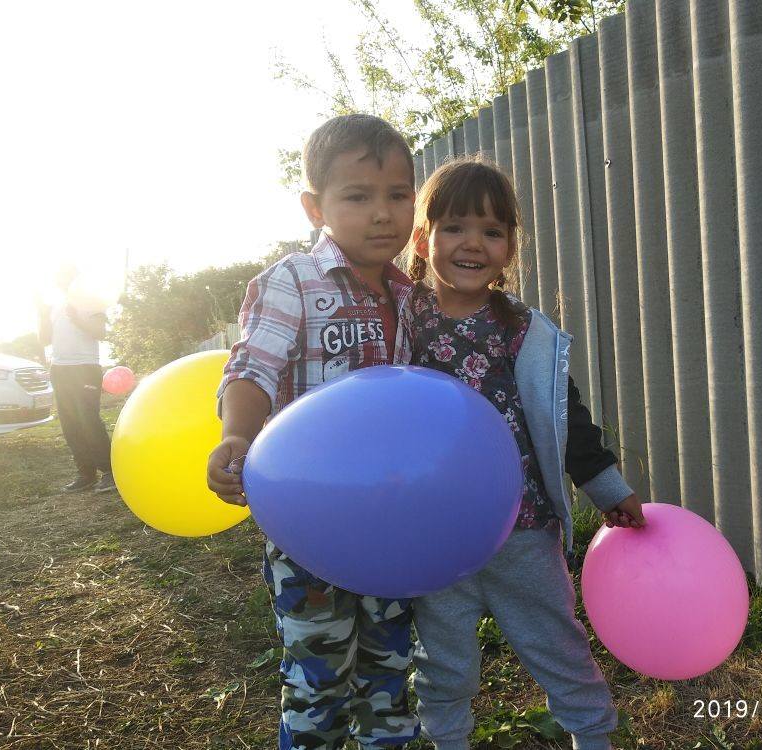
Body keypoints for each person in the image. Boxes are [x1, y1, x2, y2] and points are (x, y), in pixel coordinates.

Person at [406, 157, 646, 750]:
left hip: (523, 530)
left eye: (492, 231)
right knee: (442, 662)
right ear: (422, 237)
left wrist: (610, 491)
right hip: (435, 539)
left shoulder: (524, 332)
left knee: (559, 648)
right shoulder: (400, 321)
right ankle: (448, 740)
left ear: (511, 247)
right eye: (456, 226)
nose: (473, 243)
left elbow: (569, 421)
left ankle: (592, 736)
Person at [206, 114, 421, 750]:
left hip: (393, 513)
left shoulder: (411, 295)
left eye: (398, 194)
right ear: (315, 206)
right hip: (309, 518)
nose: (382, 214)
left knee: (389, 662)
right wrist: (236, 437)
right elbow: (252, 367)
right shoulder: (293, 281)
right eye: (358, 197)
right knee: (321, 670)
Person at [37, 266, 116, 493]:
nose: (61, 282)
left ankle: (110, 472)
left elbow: (101, 332)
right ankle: (86, 473)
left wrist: (76, 318)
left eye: (65, 277)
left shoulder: (91, 300)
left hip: (85, 367)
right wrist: (42, 315)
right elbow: (44, 340)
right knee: (70, 423)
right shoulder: (55, 307)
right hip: (60, 369)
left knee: (88, 420)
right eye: (58, 278)